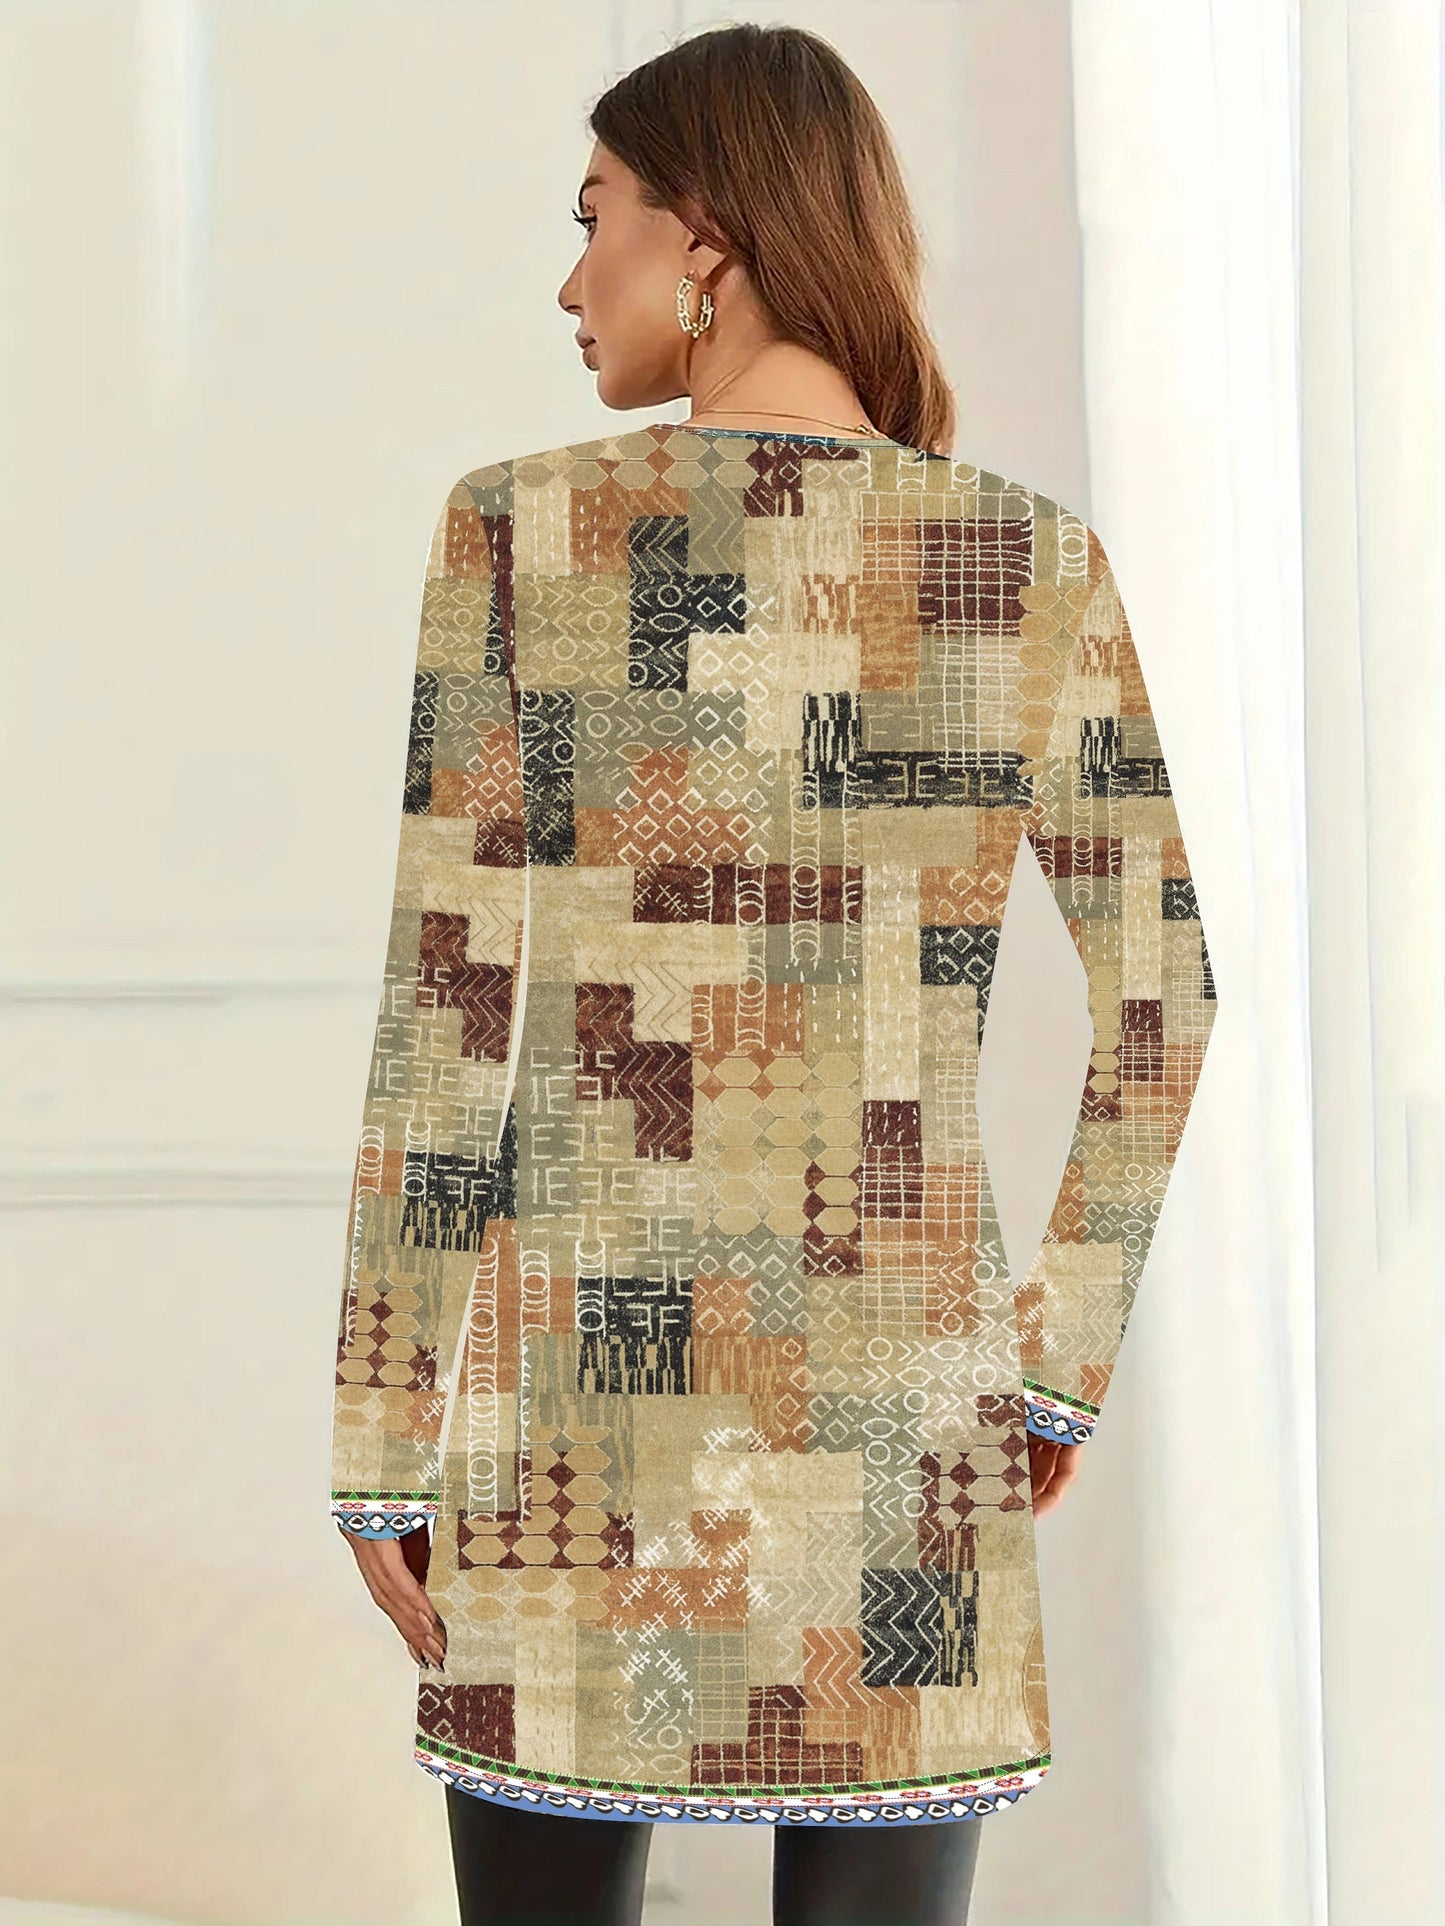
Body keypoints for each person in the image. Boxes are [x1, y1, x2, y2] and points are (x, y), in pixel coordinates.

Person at [329, 22, 1218, 1926]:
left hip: (573, 1442)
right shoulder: (1022, 562)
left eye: (595, 219)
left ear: (707, 243)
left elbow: (447, 1016)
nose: (570, 278)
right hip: (903, 1424)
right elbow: (1165, 999)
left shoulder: (518, 533)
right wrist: (1051, 1369)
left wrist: (380, 1436)